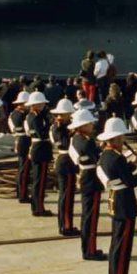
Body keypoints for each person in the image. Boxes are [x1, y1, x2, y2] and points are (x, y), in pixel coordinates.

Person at [97, 117, 137, 274]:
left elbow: (120, 172)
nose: (123, 140)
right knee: (123, 247)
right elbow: (130, 181)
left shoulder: (106, 155)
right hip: (124, 203)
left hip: (115, 200)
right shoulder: (117, 158)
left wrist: (133, 164)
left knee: (117, 244)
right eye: (121, 137)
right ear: (115, 138)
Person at [69, 108, 106, 261]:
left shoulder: (76, 138)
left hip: (85, 175)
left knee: (87, 215)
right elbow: (97, 158)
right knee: (91, 217)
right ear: (83, 125)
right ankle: (90, 250)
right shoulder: (86, 141)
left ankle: (88, 248)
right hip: (91, 178)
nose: (92, 125)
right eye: (89, 123)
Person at [50, 98, 79, 236]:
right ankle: (66, 226)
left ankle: (67, 224)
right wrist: (74, 132)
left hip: (67, 161)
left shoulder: (64, 125)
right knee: (66, 197)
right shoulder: (58, 127)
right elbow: (65, 143)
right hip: (65, 161)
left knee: (68, 196)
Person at [25, 91, 53, 217]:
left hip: (38, 148)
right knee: (40, 181)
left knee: (38, 179)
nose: (43, 105)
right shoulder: (36, 117)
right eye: (41, 103)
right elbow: (42, 134)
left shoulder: (32, 115)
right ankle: (38, 208)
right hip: (41, 148)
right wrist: (49, 124)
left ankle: (36, 206)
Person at [8, 90, 31, 204]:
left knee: (22, 168)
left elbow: (12, 128)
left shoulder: (13, 114)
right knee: (24, 170)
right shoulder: (25, 115)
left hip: (18, 139)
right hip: (25, 140)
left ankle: (20, 192)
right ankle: (23, 194)